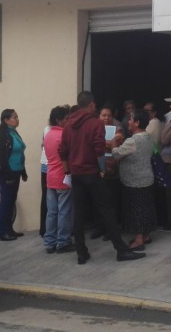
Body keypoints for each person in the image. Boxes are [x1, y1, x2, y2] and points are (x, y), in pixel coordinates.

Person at [58, 91, 145, 265]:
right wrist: (103, 170)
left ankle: (81, 253)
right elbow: (98, 151)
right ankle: (121, 250)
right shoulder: (95, 124)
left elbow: (63, 150)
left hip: (76, 174)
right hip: (91, 172)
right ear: (90, 104)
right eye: (94, 105)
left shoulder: (68, 125)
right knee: (107, 210)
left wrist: (68, 171)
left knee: (79, 214)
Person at [112, 109, 157, 251]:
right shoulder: (148, 137)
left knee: (136, 210)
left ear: (137, 123)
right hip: (147, 178)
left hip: (134, 181)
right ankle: (146, 235)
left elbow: (116, 154)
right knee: (146, 208)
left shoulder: (133, 140)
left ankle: (138, 241)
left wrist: (113, 143)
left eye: (131, 119)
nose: (128, 122)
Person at [43, 105, 74, 254]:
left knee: (52, 212)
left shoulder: (48, 134)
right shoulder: (64, 135)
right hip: (63, 177)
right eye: (66, 119)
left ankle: (49, 242)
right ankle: (62, 241)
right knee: (64, 212)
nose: (69, 121)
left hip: (50, 177)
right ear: (59, 120)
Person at [0, 108, 27, 241]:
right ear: (6, 120)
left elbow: (19, 153)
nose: (17, 119)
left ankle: (9, 229)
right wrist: (7, 176)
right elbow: (2, 157)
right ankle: (2, 231)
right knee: (6, 201)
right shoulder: (2, 134)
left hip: (16, 171)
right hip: (8, 173)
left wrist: (23, 171)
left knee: (11, 201)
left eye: (17, 117)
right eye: (14, 117)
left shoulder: (13, 132)